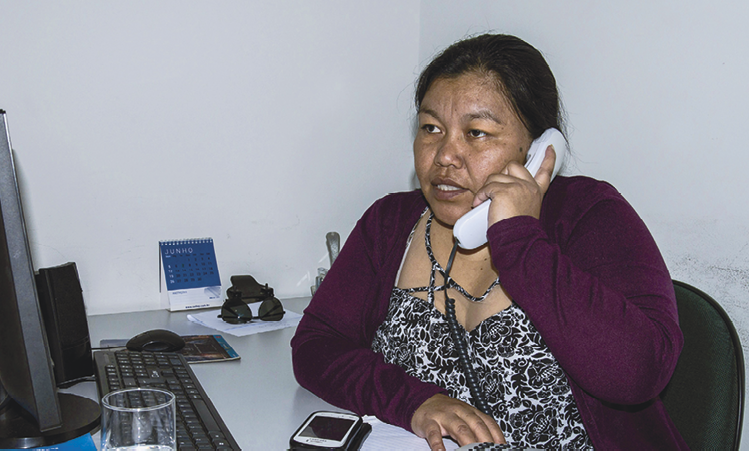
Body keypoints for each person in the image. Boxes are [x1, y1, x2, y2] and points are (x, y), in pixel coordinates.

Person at [291, 34, 687, 450]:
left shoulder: (590, 215)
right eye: (431, 128)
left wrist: (520, 239)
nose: (445, 154)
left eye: (477, 133)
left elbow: (639, 372)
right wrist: (414, 402)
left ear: (538, 147)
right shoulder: (390, 223)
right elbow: (316, 345)